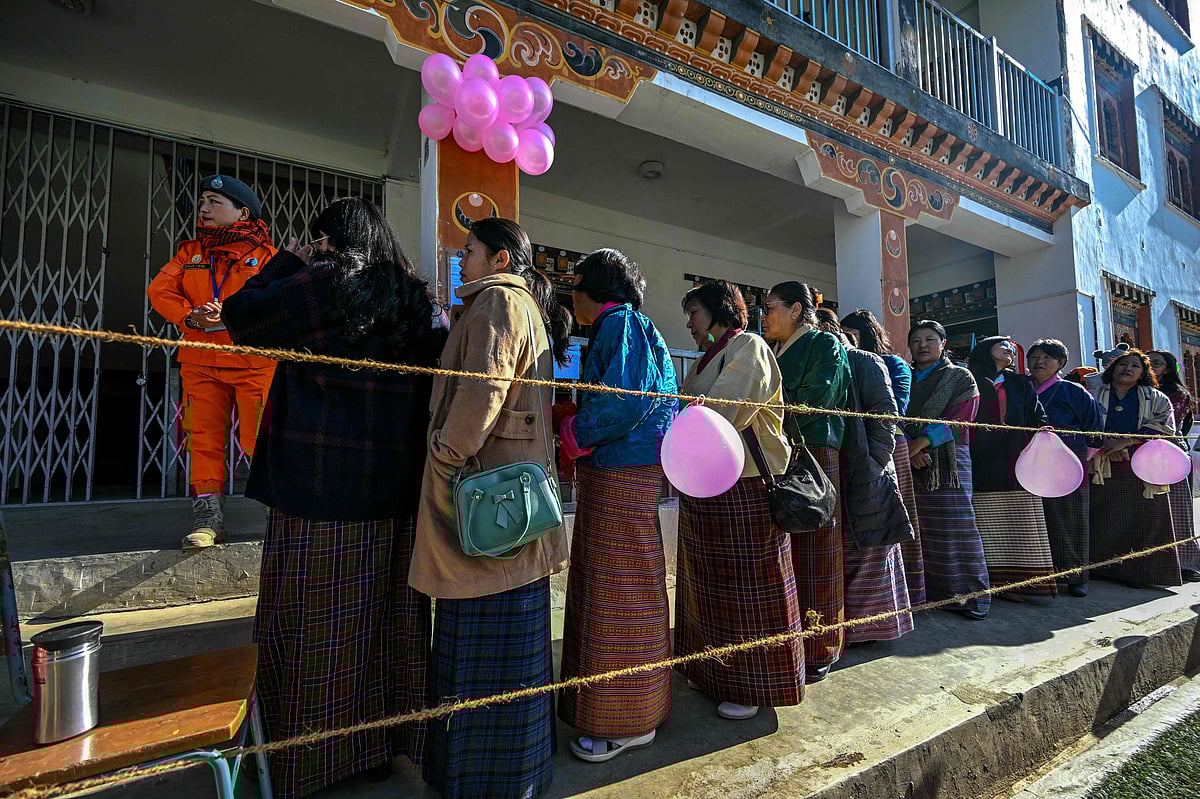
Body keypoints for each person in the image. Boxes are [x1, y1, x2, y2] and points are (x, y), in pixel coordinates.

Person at [222, 199, 446, 797]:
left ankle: (306, 762)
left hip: (318, 490)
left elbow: (240, 317)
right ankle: (378, 747)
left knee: (312, 625)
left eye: (317, 238)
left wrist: (280, 263)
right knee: (386, 624)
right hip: (392, 491)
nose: (314, 247)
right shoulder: (412, 295)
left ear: (331, 239)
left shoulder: (324, 278)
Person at [409, 218, 570, 798]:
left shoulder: (500, 302)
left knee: (479, 639)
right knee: (512, 643)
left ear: (500, 258)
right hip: (508, 495)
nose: (462, 259)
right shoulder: (514, 302)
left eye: (470, 250)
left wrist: (446, 453)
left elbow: (484, 389)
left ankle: (483, 777)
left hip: (486, 493)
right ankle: (514, 772)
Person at [556, 249, 678, 762]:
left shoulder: (618, 324)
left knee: (617, 585)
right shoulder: (636, 325)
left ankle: (626, 719)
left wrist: (574, 433)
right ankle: (636, 706)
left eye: (576, 288)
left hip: (619, 470)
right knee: (628, 578)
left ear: (594, 290)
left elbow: (622, 399)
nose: (573, 298)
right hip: (630, 469)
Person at [674, 280, 805, 721]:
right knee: (707, 585)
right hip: (707, 483)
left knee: (748, 586)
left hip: (746, 483)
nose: (689, 324)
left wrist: (686, 420)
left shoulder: (747, 345)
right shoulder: (705, 359)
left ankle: (752, 684)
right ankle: (712, 670)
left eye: (694, 313)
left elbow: (722, 411)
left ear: (718, 312)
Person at [147, 175, 277, 548]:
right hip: (201, 361)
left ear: (242, 211)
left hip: (254, 363)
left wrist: (235, 316)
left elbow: (279, 303)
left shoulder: (268, 258)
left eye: (214, 201)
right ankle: (209, 520)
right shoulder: (191, 254)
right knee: (202, 438)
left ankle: (274, 514)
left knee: (258, 440)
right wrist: (189, 317)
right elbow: (159, 290)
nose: (203, 207)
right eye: (202, 200)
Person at [760, 283, 850, 681]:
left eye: (770, 308)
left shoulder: (824, 345)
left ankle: (819, 647)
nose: (764, 316)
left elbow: (817, 396)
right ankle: (785, 640)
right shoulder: (771, 350)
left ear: (797, 309)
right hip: (778, 453)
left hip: (814, 451)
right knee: (785, 550)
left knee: (817, 549)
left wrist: (769, 417)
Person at [823, 314, 914, 647]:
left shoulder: (865, 361)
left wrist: (874, 462)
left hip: (867, 469)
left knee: (872, 549)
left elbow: (885, 414)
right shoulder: (822, 363)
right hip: (835, 471)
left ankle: (873, 630)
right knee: (844, 549)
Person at [903, 320, 990, 619]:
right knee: (919, 530)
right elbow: (892, 416)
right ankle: (927, 594)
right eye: (916, 340)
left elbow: (962, 419)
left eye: (930, 339)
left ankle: (972, 597)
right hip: (907, 459)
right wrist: (908, 447)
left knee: (957, 528)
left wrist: (921, 443)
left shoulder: (960, 377)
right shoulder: (903, 377)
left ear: (943, 344)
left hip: (949, 461)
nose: (922, 345)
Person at [842, 309, 925, 604]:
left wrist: (876, 453)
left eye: (851, 333)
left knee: (887, 519)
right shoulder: (842, 360)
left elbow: (896, 408)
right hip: (858, 447)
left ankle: (909, 595)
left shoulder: (892, 364)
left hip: (889, 445)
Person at [966, 336, 1056, 600]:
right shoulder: (968, 379)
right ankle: (990, 580)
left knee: (1020, 519)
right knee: (984, 521)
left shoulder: (1020, 384)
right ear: (985, 350)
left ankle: (1024, 584)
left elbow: (1037, 415)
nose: (1009, 349)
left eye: (1010, 346)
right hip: (979, 459)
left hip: (1015, 459)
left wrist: (1043, 429)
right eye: (1001, 344)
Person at [1088, 350, 1183, 587]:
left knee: (1145, 518)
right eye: (1122, 364)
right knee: (1103, 517)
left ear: (1143, 373)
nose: (1128, 368)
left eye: (1135, 366)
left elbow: (1166, 426)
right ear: (1112, 368)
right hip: (1103, 463)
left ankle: (1142, 574)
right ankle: (1102, 569)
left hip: (1142, 466)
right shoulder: (1093, 394)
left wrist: (1128, 440)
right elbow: (1084, 421)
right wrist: (1102, 442)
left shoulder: (1156, 397)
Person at [1027, 339, 1103, 597]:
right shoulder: (1022, 388)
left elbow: (1094, 429)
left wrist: (1079, 460)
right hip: (1028, 461)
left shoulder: (1074, 391)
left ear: (1061, 363)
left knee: (1070, 516)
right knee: (1035, 517)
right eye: (1035, 356)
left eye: (1047, 357)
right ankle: (1038, 575)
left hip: (1066, 461)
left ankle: (1075, 576)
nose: (1039, 362)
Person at [1148, 350, 1199, 581]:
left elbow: (1168, 425)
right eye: (1146, 363)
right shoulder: (1138, 392)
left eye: (1156, 364)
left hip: (1170, 454)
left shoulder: (1176, 394)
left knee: (1176, 510)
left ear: (1167, 369)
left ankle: (1185, 562)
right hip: (1142, 455)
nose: (1151, 367)